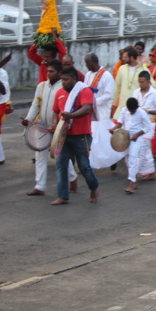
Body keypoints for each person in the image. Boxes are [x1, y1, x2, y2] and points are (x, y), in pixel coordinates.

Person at [22, 60, 78, 196]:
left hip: (58, 127)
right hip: (42, 126)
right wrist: (28, 120)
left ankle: (73, 178)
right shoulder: (41, 86)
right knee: (40, 155)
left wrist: (59, 125)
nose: (48, 73)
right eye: (47, 71)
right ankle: (40, 186)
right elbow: (35, 104)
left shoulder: (64, 88)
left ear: (59, 73)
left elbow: (66, 108)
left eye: (51, 71)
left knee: (60, 156)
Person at [50, 67, 99, 205]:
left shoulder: (85, 90)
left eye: (66, 80)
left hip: (80, 135)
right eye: (62, 80)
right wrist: (55, 125)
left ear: (74, 79)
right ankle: (63, 196)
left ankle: (94, 187)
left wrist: (71, 116)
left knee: (84, 167)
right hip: (63, 135)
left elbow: (86, 109)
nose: (63, 83)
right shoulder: (59, 93)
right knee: (61, 165)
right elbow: (55, 111)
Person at [110, 97, 154, 195]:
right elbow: (120, 123)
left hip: (136, 139)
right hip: (125, 137)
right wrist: (113, 129)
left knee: (133, 160)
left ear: (137, 107)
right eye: (130, 110)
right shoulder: (125, 110)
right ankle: (134, 181)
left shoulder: (142, 113)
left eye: (133, 111)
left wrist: (137, 135)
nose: (131, 112)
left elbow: (148, 127)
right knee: (128, 160)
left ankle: (131, 184)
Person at [84, 53, 118, 170]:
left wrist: (94, 101)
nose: (86, 65)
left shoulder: (106, 76)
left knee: (103, 138)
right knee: (92, 137)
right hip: (90, 110)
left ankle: (113, 158)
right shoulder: (88, 75)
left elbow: (108, 95)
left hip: (101, 110)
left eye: (87, 63)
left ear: (93, 62)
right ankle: (90, 162)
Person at [132, 71, 156, 181]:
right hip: (137, 124)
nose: (140, 84)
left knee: (142, 147)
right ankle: (151, 172)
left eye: (142, 82)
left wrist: (148, 111)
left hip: (150, 124)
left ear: (149, 82)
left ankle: (135, 173)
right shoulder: (136, 93)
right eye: (139, 82)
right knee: (145, 150)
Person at [113, 46, 151, 117]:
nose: (123, 59)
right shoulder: (121, 69)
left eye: (125, 57)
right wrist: (113, 104)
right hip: (122, 107)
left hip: (136, 108)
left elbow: (152, 86)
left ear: (132, 57)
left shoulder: (143, 70)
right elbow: (117, 87)